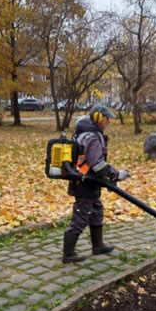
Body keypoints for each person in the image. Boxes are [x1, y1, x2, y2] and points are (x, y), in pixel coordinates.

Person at [62, 104, 131, 263]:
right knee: (81, 215)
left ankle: (98, 245)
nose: (109, 122)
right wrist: (117, 174)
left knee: (96, 211)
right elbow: (97, 165)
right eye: (107, 118)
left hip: (89, 182)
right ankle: (68, 254)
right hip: (84, 182)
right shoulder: (91, 137)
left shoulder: (90, 133)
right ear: (99, 118)